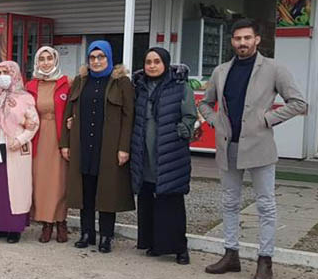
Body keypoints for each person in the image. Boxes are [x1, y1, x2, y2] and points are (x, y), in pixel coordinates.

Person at [200, 18, 307, 279]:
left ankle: (265, 260)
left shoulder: (273, 69)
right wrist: (215, 121)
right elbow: (206, 103)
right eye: (237, 39)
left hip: (259, 147)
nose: (242, 43)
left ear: (257, 39)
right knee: (229, 202)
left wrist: (268, 119)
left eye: (247, 38)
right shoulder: (222, 71)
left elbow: (299, 103)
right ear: (232, 41)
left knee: (265, 205)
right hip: (229, 147)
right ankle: (231, 254)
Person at [60, 40, 134, 253]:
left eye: (101, 57)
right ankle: (87, 232)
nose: (96, 61)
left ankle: (106, 236)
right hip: (84, 144)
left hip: (108, 146)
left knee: (107, 191)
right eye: (92, 57)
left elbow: (129, 117)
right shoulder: (80, 81)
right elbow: (68, 113)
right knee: (86, 190)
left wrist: (124, 147)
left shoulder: (122, 83)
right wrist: (65, 143)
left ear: (109, 58)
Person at [130, 47, 196, 265]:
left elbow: (189, 115)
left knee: (171, 201)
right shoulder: (140, 86)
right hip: (144, 151)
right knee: (148, 198)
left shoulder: (179, 86)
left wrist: (181, 132)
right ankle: (155, 245)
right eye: (148, 62)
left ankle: (179, 248)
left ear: (165, 63)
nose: (152, 66)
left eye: (156, 61)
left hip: (170, 150)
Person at [0, 61, 39, 243]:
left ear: (14, 73)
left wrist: (20, 139)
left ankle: (14, 228)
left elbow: (34, 124)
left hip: (14, 149)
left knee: (14, 189)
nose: (2, 75)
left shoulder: (25, 98)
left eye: (6, 71)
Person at [25, 46, 71, 243]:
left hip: (59, 136)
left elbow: (74, 107)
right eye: (41, 59)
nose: (45, 63)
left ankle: (61, 221)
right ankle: (46, 222)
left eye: (49, 58)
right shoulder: (31, 85)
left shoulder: (67, 83)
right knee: (41, 180)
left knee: (59, 181)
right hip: (38, 136)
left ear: (55, 60)